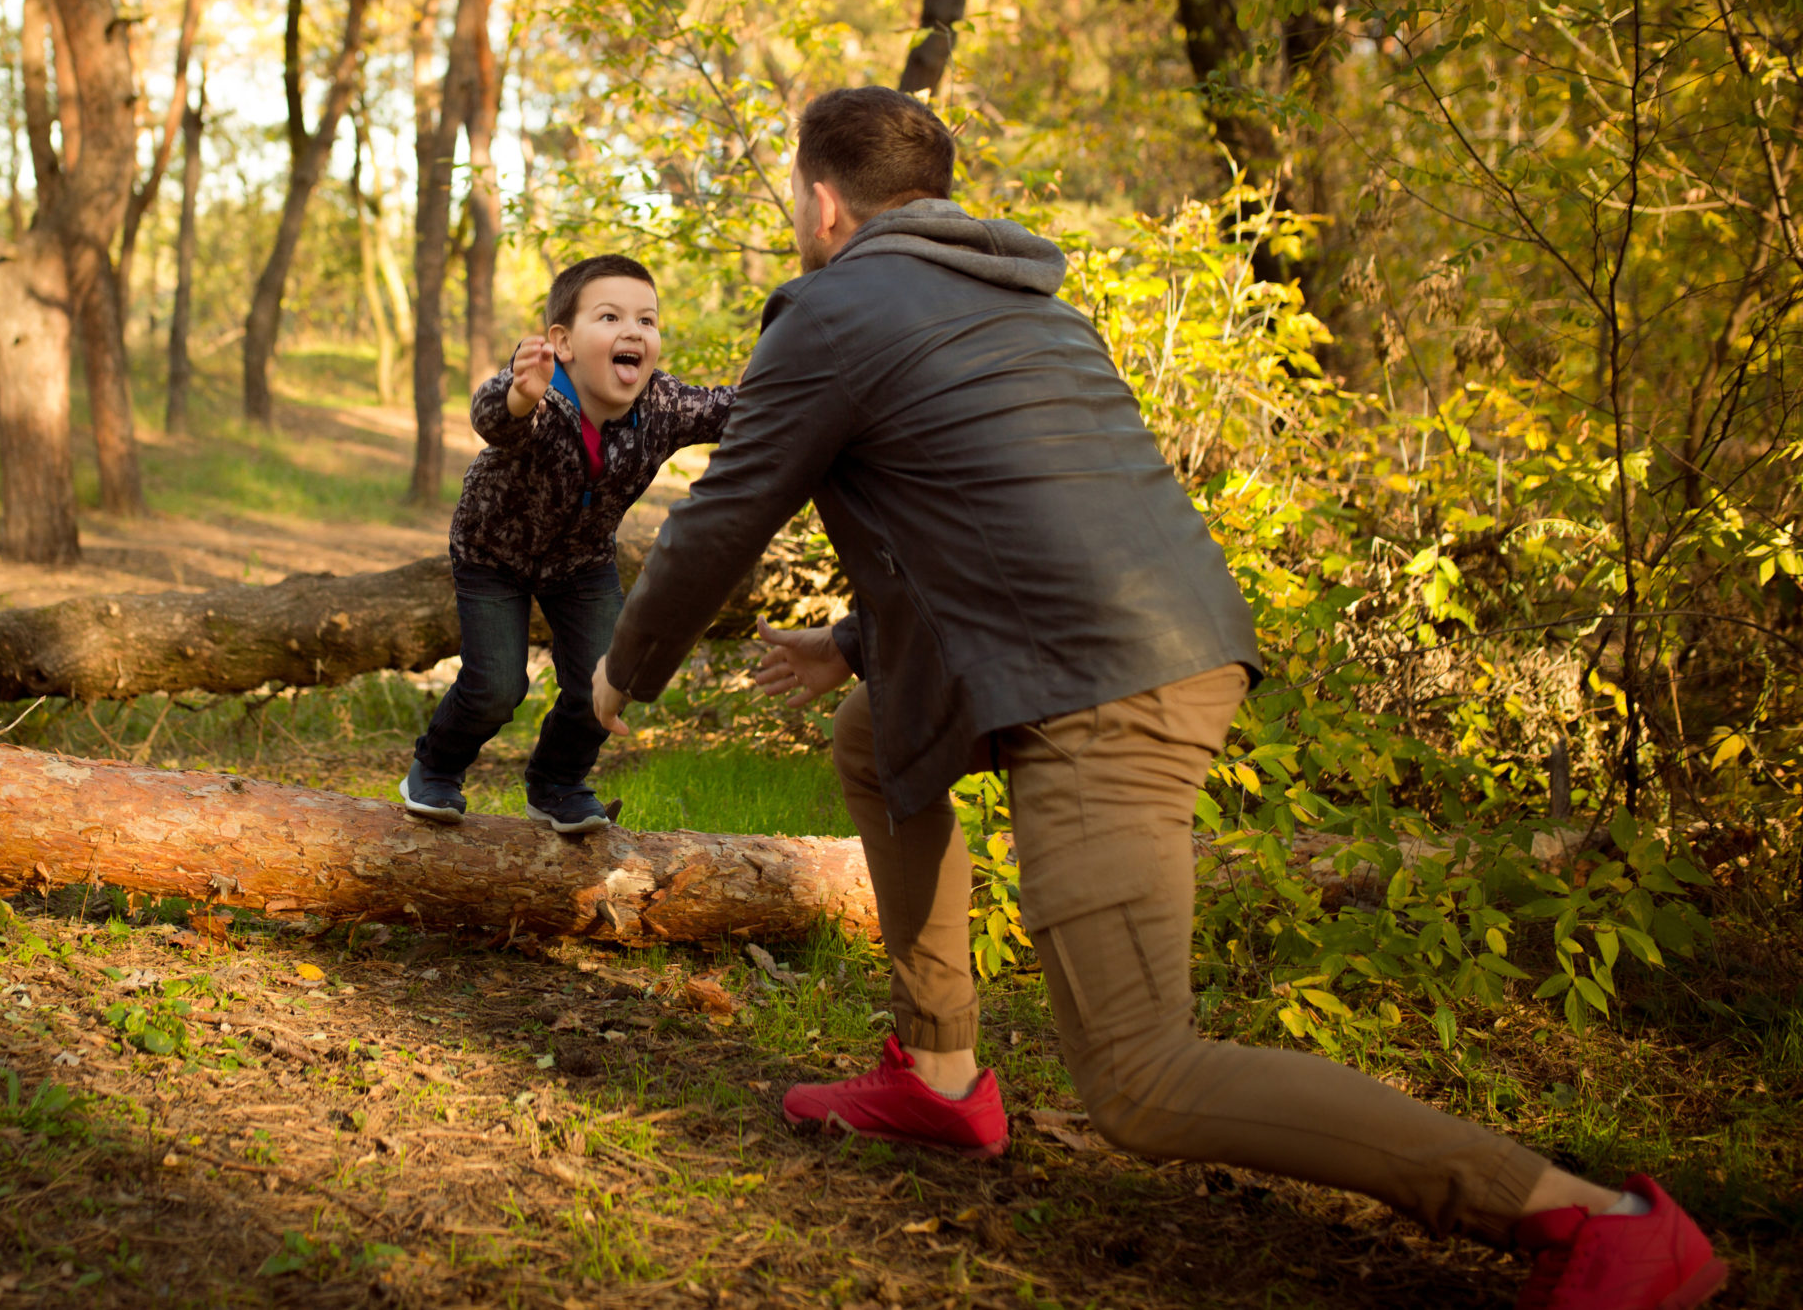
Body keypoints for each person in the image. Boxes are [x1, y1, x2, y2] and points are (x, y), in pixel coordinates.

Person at [589, 87, 1725, 1310]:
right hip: (1147, 642)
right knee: (876, 736)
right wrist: (861, 641)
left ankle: (1593, 1223)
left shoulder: (835, 305)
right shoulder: (1032, 307)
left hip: (1105, 691)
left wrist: (619, 670)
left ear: (821, 202)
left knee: (1140, 1079)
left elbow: (722, 518)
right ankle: (938, 1073)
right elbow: (1013, 519)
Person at [399, 254, 735, 834]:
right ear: (564, 342)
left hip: (581, 560)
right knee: (497, 687)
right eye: (610, 318)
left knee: (607, 678)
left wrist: (803, 376)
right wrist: (519, 394)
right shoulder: (540, 398)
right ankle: (435, 769)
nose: (633, 331)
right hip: (492, 555)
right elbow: (494, 417)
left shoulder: (661, 406)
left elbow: (734, 409)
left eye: (647, 321)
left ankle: (557, 784)